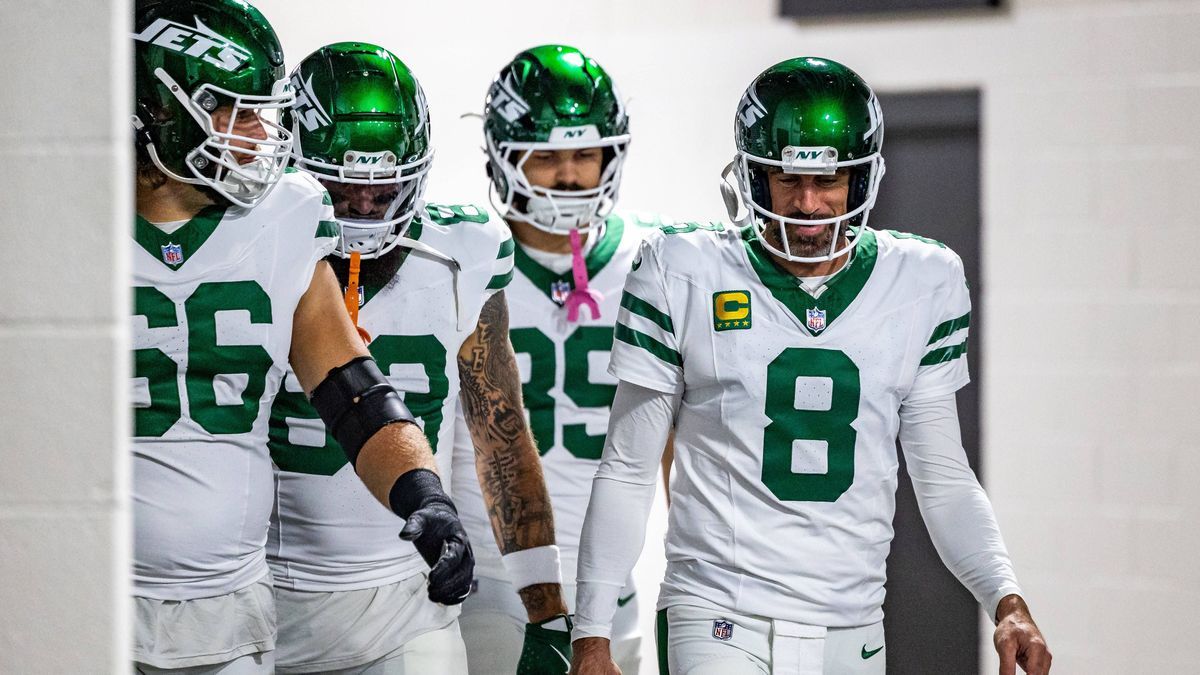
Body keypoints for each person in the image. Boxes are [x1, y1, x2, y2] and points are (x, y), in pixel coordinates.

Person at [570, 57, 1052, 675]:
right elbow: (628, 467)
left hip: (851, 621)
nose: (808, 203)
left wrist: (1005, 600)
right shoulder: (681, 268)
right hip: (716, 611)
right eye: (784, 179)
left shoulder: (924, 280)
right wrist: (592, 634)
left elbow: (943, 478)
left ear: (863, 180)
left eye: (829, 180)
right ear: (750, 177)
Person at [132, 5, 472, 673]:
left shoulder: (285, 217)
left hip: (229, 615)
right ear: (161, 105)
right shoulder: (56, 210)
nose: (263, 133)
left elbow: (355, 392)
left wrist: (423, 493)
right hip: (86, 595)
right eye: (236, 110)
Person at [267, 42, 568, 674]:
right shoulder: (256, 246)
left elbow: (501, 437)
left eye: (384, 187)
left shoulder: (465, 254)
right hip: (265, 599)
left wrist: (546, 607)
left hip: (410, 606)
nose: (366, 207)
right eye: (342, 187)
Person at [452, 44, 668, 675]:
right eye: (545, 156)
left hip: (612, 582)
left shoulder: (654, 259)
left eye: (584, 153)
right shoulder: (462, 256)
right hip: (488, 582)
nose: (569, 176)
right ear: (503, 157)